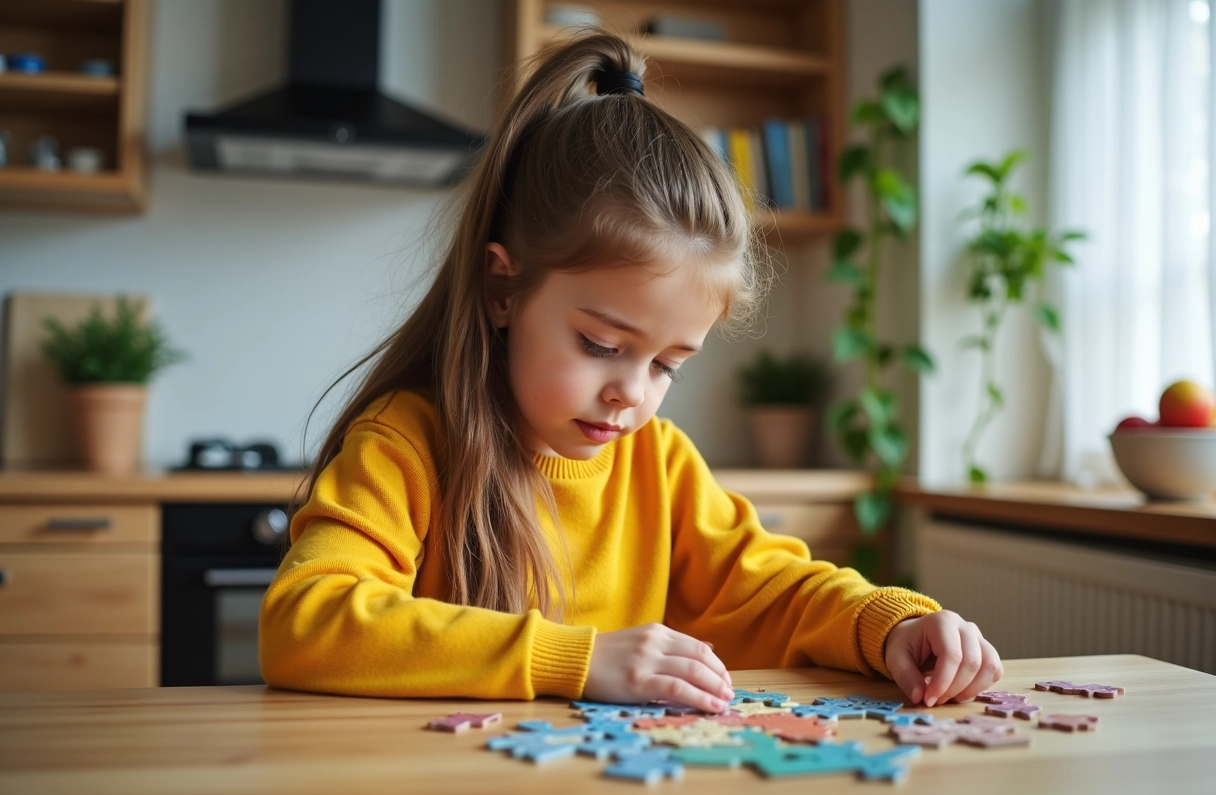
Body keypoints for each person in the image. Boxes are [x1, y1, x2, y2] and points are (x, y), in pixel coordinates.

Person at [259, 30, 1003, 713]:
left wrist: (888, 624)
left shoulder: (660, 461)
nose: (632, 393)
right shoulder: (407, 442)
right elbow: (303, 621)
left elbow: (774, 589)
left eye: (668, 365)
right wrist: (572, 659)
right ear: (501, 290)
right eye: (601, 344)